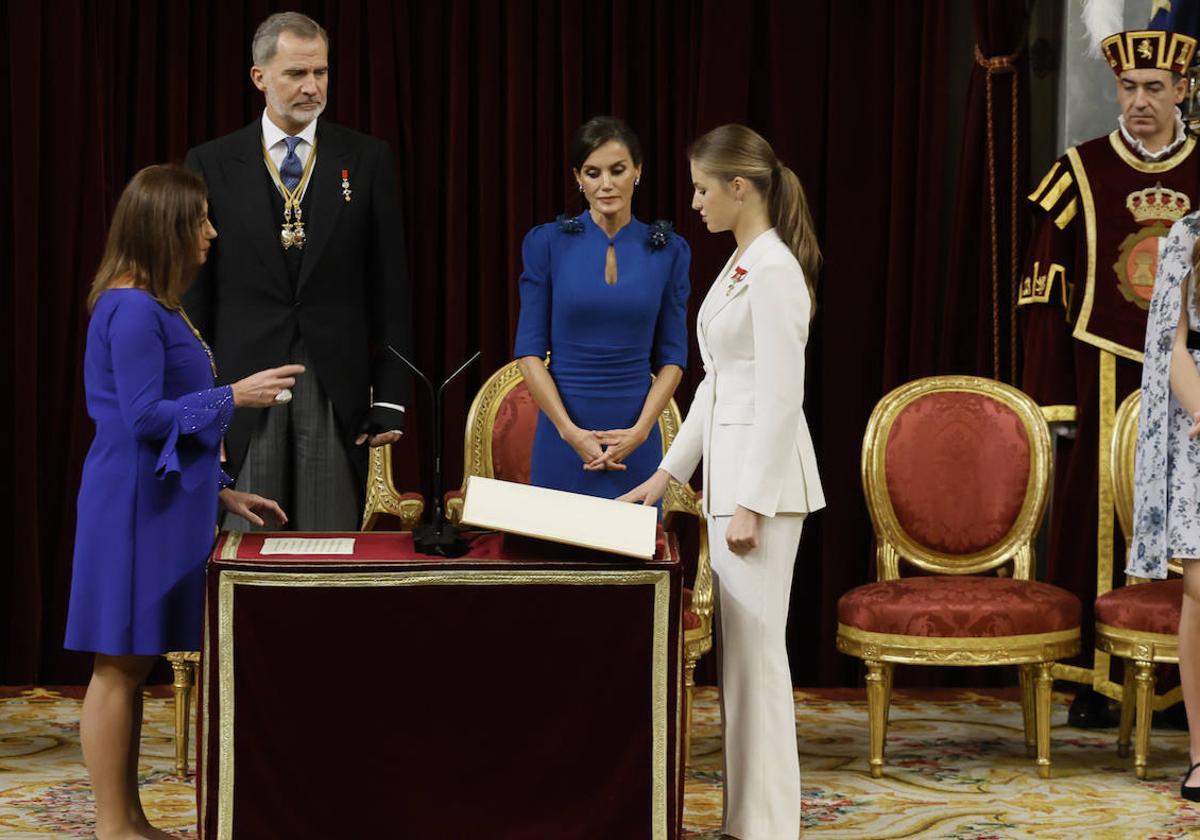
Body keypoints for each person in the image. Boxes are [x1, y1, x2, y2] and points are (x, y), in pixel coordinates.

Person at [66, 165, 299, 839]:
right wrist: (237, 394)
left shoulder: (153, 303)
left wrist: (222, 489)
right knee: (117, 664)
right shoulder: (134, 307)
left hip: (153, 498)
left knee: (134, 663)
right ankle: (114, 827)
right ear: (165, 227)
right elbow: (140, 418)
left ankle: (131, 820)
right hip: (132, 510)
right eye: (199, 220)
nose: (211, 232)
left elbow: (154, 423)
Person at [620, 124, 824, 840]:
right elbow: (717, 383)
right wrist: (666, 474)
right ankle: (747, 820)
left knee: (760, 659)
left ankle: (769, 828)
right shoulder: (742, 262)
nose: (696, 201)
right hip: (736, 480)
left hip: (764, 492)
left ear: (741, 189)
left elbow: (779, 396)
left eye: (704, 188)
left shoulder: (772, 271)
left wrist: (751, 504)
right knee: (740, 662)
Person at [1018, 28, 1200, 726]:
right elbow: (1044, 290)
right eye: (1129, 88)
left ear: (1182, 90)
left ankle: (1188, 690)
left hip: (1194, 376)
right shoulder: (1081, 169)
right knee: (1103, 522)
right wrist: (1051, 398)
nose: (1140, 101)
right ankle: (1100, 682)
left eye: (1155, 88)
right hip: (1105, 369)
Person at [183, 11, 412, 532]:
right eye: (296, 74)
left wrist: (392, 395)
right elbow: (194, 296)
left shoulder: (368, 158)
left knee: (327, 547)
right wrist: (201, 399)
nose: (313, 87)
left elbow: (391, 287)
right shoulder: (211, 162)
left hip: (335, 382)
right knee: (247, 546)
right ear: (259, 77)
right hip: (242, 381)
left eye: (322, 73)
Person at [513, 116, 690, 500]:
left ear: (638, 172)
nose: (606, 184)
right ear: (579, 177)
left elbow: (674, 357)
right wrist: (569, 431)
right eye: (593, 173)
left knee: (637, 558)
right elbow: (527, 353)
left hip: (635, 442)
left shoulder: (670, 251)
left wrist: (642, 431)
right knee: (557, 557)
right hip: (563, 441)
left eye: (617, 170)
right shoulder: (546, 243)